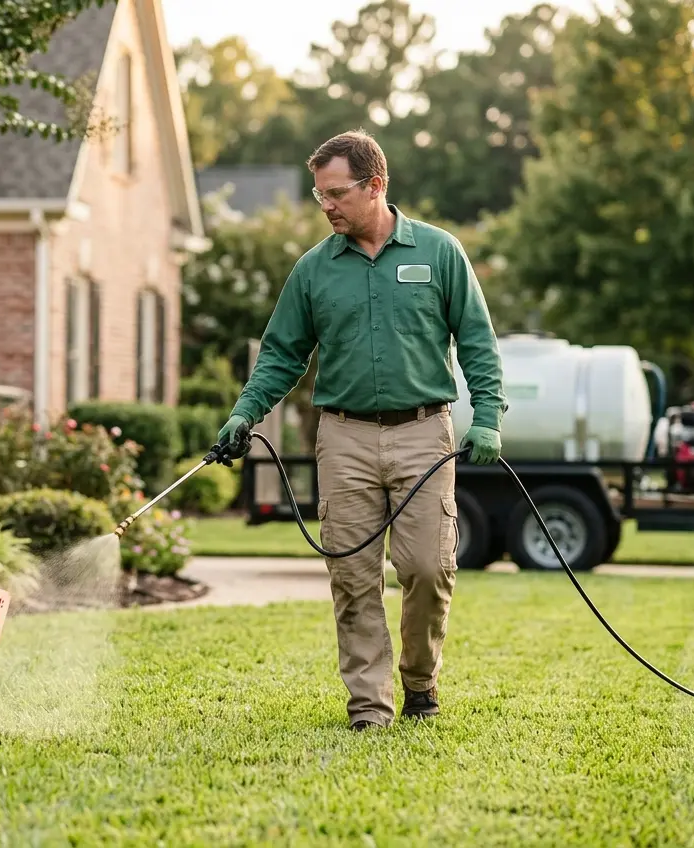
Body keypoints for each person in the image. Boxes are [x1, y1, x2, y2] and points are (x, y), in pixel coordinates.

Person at [216, 129, 507, 729]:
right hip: (343, 437)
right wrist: (246, 411)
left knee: (428, 568)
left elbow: (478, 340)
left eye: (336, 193)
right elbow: (280, 355)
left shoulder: (440, 252)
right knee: (352, 576)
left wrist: (488, 415)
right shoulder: (313, 271)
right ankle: (369, 707)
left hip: (425, 433)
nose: (326, 205)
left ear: (375, 186)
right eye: (319, 194)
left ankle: (420, 683)